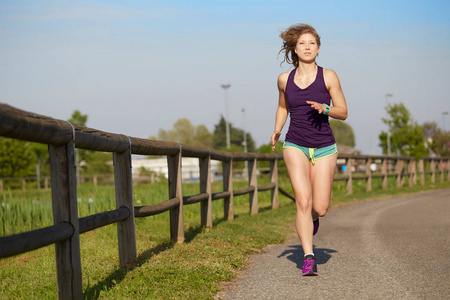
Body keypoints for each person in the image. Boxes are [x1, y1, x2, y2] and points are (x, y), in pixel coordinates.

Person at [271, 24, 348, 276]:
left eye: (311, 43)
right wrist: (277, 129)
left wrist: (325, 109)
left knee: (320, 207)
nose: (307, 47)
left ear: (318, 48)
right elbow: (283, 108)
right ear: (295, 48)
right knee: (303, 201)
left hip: (325, 146)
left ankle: (313, 220)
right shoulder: (284, 79)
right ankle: (308, 256)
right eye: (302, 43)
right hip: (295, 144)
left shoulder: (329, 76)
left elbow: (343, 111)